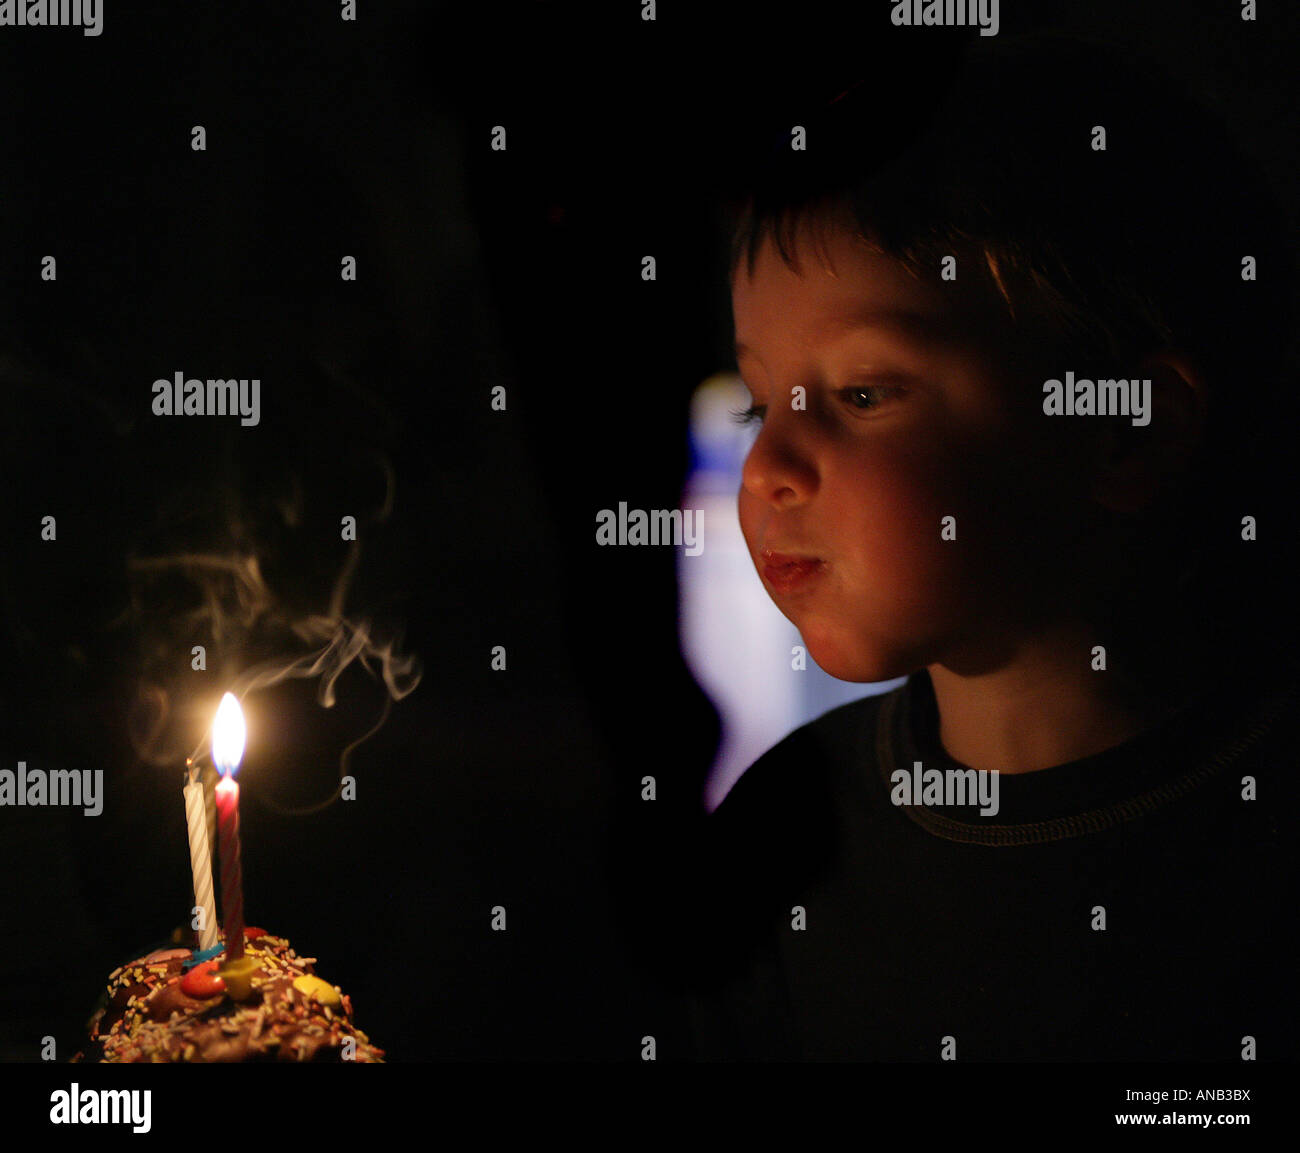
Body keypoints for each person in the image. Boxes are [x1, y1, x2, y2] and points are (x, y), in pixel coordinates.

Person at [660, 31, 1299, 1061]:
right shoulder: (783, 831)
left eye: (860, 393)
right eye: (760, 402)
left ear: (1124, 426)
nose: (770, 463)